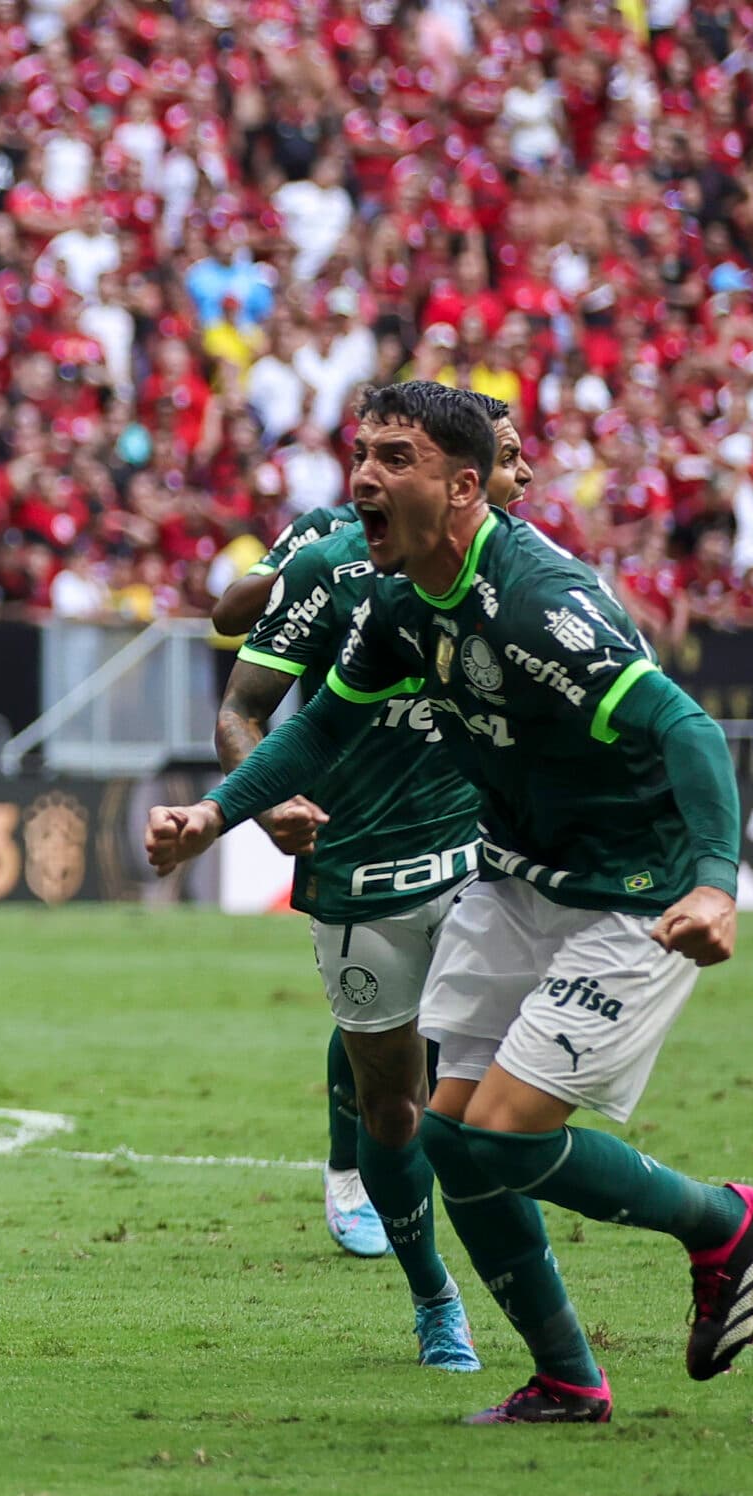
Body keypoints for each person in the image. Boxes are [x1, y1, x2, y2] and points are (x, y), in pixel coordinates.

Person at [149, 383, 753, 1425]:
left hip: (633, 891)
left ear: (460, 486)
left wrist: (717, 883)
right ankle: (569, 1378)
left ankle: (724, 1222)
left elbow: (690, 733)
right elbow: (317, 732)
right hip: (513, 875)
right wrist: (217, 815)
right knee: (448, 1138)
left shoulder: (540, 603)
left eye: (393, 457)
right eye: (361, 453)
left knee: (503, 1142)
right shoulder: (397, 600)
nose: (364, 475)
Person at [210, 387, 533, 1373]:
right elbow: (243, 703)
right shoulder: (328, 556)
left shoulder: (523, 572)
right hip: (358, 872)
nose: (366, 475)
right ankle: (434, 1294)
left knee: (499, 1099)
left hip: (480, 860)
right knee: (395, 1098)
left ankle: (547, 1322)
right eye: (365, 455)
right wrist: (260, 801)